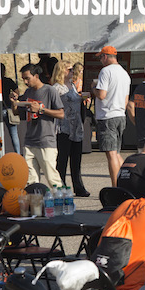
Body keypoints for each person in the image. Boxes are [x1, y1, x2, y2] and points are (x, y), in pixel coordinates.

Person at [10, 63, 64, 187]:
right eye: (23, 79)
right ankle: (36, 205)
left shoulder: (50, 90)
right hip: (29, 142)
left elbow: (61, 114)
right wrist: (14, 103)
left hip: (46, 141)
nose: (25, 82)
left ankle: (62, 203)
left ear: (36, 76)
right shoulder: (28, 93)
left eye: (27, 78)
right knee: (31, 181)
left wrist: (41, 110)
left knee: (52, 178)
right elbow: (17, 112)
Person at [93, 45, 131, 187]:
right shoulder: (124, 73)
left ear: (105, 57)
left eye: (101, 57)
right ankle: (128, 181)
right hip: (120, 114)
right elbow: (126, 99)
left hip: (108, 116)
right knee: (116, 153)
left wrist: (93, 88)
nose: (100, 61)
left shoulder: (105, 71)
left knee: (111, 155)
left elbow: (102, 95)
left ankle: (116, 187)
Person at [55, 61, 89, 197]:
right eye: (69, 69)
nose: (72, 72)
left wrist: (83, 99)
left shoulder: (73, 85)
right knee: (62, 159)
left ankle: (78, 186)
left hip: (76, 125)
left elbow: (75, 100)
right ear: (62, 71)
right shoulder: (57, 88)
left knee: (76, 159)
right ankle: (61, 186)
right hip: (63, 126)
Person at [0, 63, 21, 154]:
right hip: (8, 108)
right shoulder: (8, 81)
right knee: (14, 134)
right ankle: (18, 153)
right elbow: (17, 92)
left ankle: (0, 153)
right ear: (4, 71)